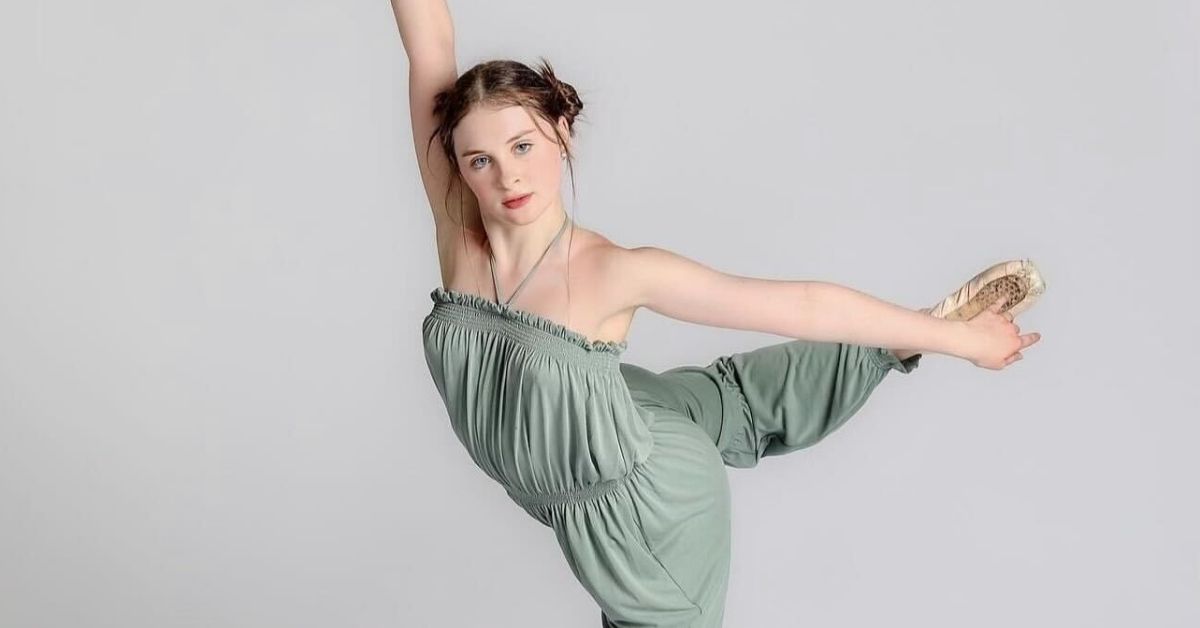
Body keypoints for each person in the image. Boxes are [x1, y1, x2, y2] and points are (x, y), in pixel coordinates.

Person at [392, 2, 1042, 625]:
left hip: (642, 518)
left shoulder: (612, 272)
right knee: (726, 398)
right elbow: (429, 42)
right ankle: (895, 341)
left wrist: (964, 343)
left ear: (561, 134)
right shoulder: (459, 233)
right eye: (482, 160)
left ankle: (913, 336)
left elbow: (800, 306)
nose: (507, 177)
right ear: (457, 164)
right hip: (612, 414)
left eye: (523, 146)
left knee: (719, 423)